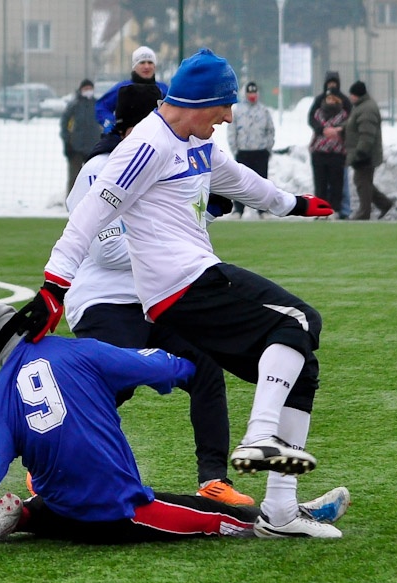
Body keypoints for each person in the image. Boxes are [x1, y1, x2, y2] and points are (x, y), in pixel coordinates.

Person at [17, 48, 350, 539]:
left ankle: (281, 511)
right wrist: (53, 288)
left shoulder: (195, 142)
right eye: (225, 107)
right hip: (182, 285)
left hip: (188, 284)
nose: (229, 117)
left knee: (301, 362)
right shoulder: (146, 145)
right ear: (201, 101)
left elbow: (239, 181)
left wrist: (294, 204)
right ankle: (258, 435)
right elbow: (87, 218)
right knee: (299, 320)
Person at [0, 299, 346, 553]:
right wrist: (189, 370)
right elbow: (165, 368)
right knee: (215, 519)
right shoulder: (77, 352)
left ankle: (26, 515)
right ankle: (286, 516)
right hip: (119, 514)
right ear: (25, 327)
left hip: (63, 511)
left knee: (59, 499)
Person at [65, 83, 253, 506]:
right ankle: (48, 469)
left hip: (157, 299)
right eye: (150, 124)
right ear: (128, 129)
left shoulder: (164, 161)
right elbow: (107, 249)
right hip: (105, 301)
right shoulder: (99, 169)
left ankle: (213, 481)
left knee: (206, 366)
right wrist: (167, 233)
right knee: (114, 379)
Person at [344, 80, 395, 220]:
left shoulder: (366, 109)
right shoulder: (362, 107)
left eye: (352, 94)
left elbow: (367, 134)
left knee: (362, 182)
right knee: (363, 181)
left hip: (366, 155)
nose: (350, 97)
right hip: (365, 153)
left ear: (357, 95)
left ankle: (364, 212)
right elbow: (353, 125)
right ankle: (384, 204)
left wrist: (360, 152)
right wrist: (340, 128)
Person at [307, 71, 353, 219]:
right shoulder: (318, 109)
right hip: (319, 152)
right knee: (320, 184)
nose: (331, 99)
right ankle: (320, 210)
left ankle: (336, 209)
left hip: (337, 152)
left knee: (337, 184)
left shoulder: (344, 108)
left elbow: (351, 121)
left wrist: (339, 129)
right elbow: (311, 120)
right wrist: (323, 130)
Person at [226, 81, 275, 218]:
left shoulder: (264, 111)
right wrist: (235, 149)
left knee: (262, 182)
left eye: (254, 92)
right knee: (241, 182)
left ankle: (262, 209)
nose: (252, 95)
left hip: (260, 152)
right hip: (243, 152)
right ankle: (239, 209)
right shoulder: (238, 111)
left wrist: (268, 148)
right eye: (249, 92)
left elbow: (270, 130)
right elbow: (232, 131)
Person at [95, 46, 169, 133]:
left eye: (150, 62)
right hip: (126, 138)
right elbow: (101, 107)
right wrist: (113, 125)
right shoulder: (123, 88)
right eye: (142, 62)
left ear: (155, 66)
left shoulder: (163, 89)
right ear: (134, 66)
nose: (146, 66)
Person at [60, 79, 103, 194]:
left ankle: (94, 202)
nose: (88, 91)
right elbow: (65, 124)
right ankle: (71, 203)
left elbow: (104, 124)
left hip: (94, 148)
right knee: (74, 177)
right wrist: (67, 143)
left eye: (90, 88)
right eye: (85, 89)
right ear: (80, 90)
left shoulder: (98, 104)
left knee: (95, 177)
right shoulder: (73, 106)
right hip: (76, 148)